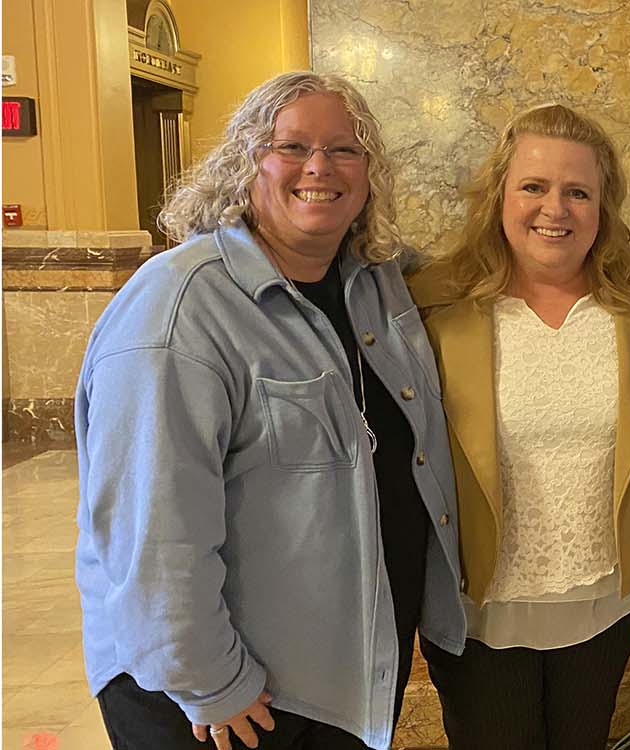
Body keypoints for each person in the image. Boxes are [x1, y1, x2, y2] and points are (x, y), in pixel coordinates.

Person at [75, 71, 464, 750]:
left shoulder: (372, 283)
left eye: (345, 149)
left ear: (369, 173)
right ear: (244, 162)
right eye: (292, 147)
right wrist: (207, 680)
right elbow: (152, 531)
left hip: (338, 680)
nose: (320, 167)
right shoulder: (179, 309)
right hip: (223, 701)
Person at [406, 104, 630, 750]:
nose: (554, 209)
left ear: (603, 205)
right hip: (481, 615)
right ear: (498, 193)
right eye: (533, 186)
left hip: (605, 607)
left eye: (577, 192)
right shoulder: (434, 304)